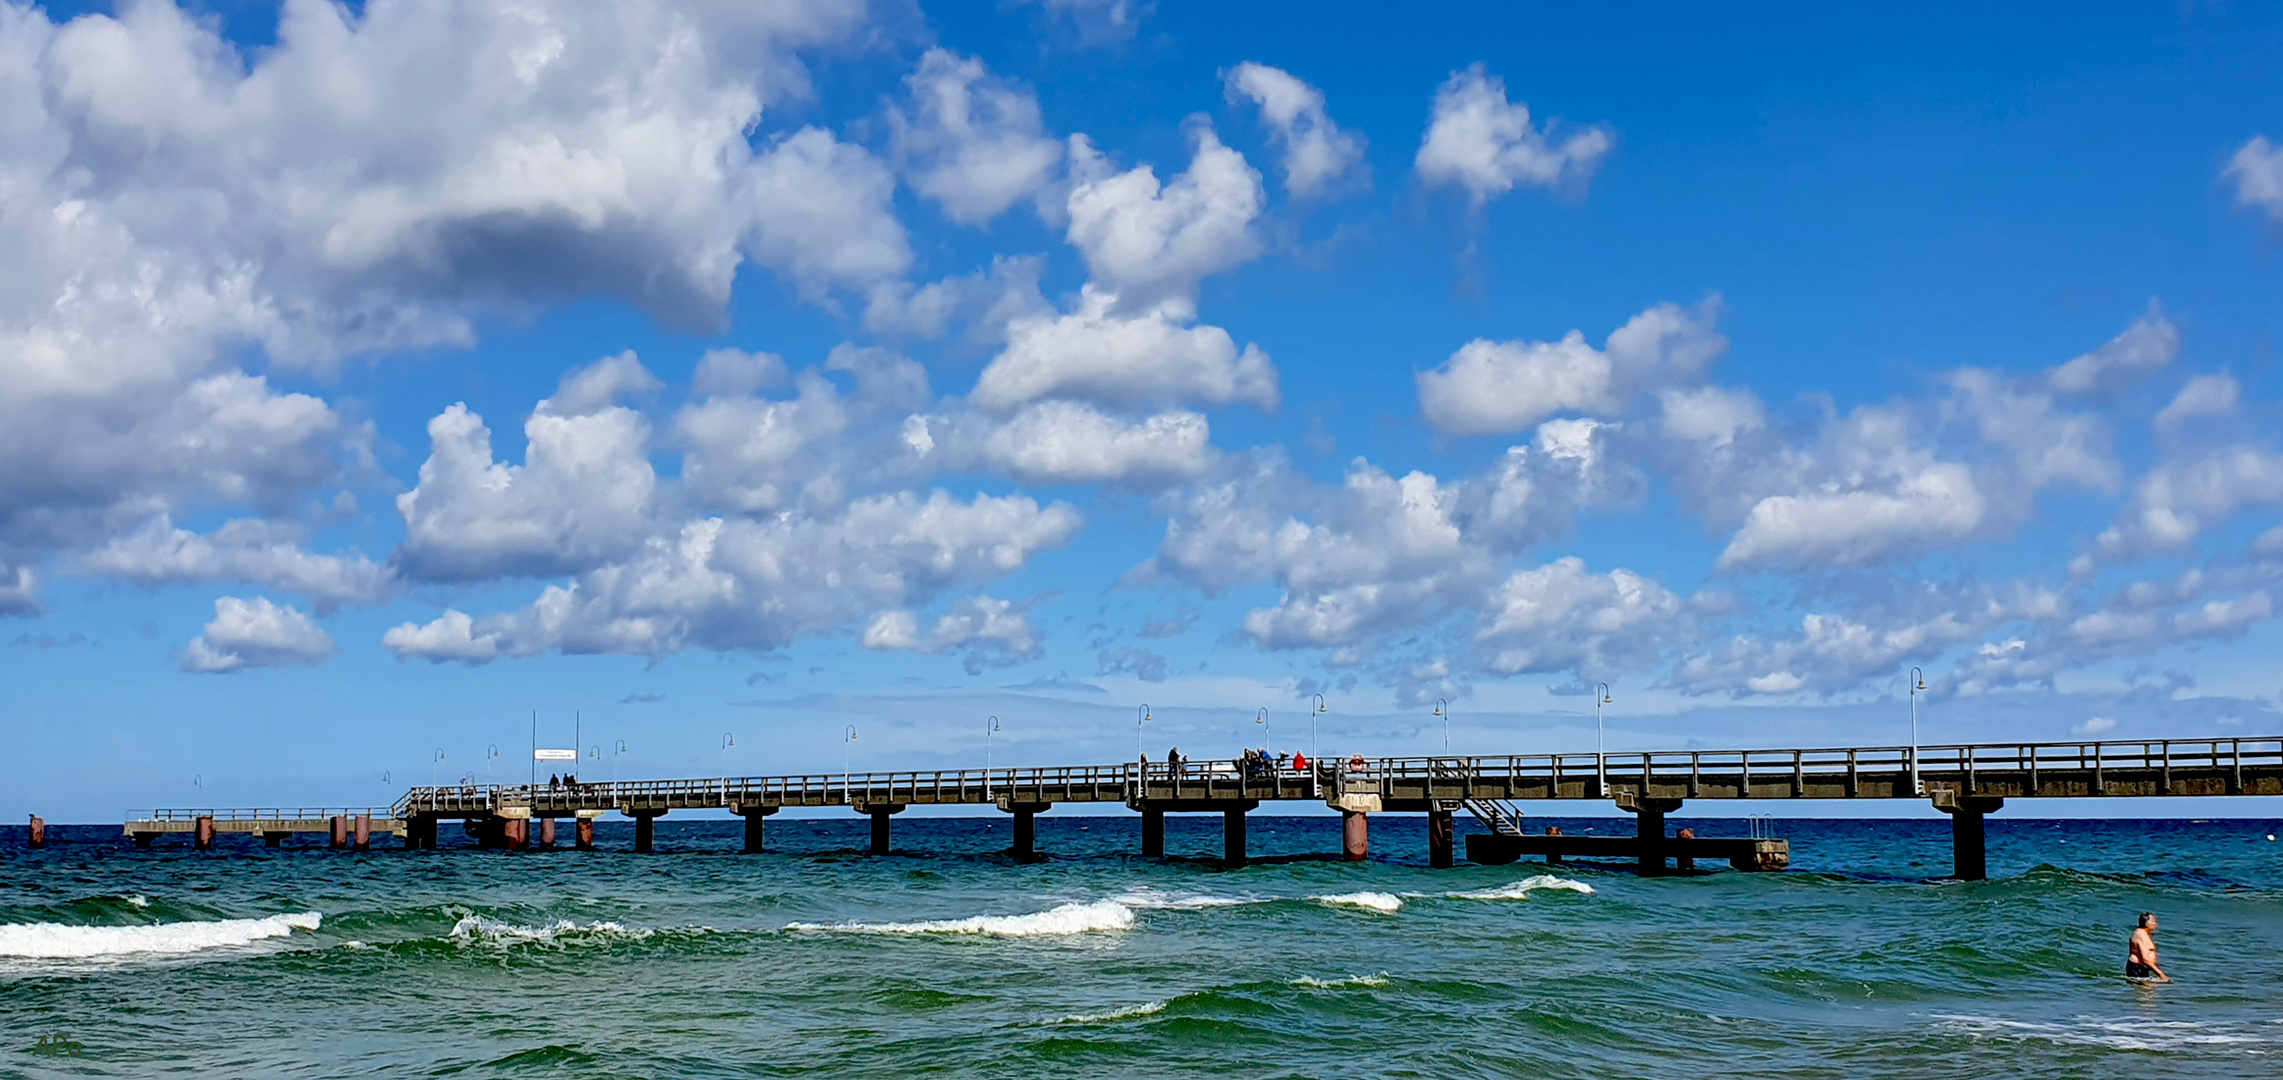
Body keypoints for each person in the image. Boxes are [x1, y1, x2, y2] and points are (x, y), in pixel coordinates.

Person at [2127, 912, 2170, 982]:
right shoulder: (2142, 936)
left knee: (2148, 991)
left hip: (2140, 968)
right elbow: (2145, 959)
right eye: (2153, 921)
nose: (2155, 924)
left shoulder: (2142, 933)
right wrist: (2161, 974)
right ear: (2146, 923)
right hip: (2137, 968)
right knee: (2147, 991)